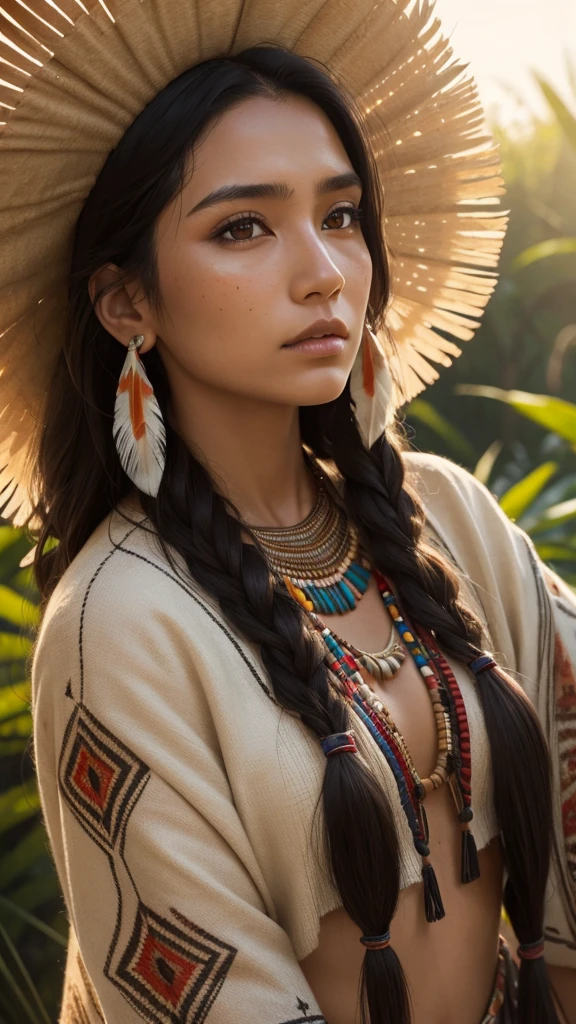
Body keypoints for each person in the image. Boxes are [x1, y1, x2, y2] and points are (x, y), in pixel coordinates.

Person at [1, 0, 575, 1021]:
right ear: (125, 302)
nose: (322, 273)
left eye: (341, 214)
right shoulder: (121, 621)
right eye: (243, 227)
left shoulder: (448, 514)